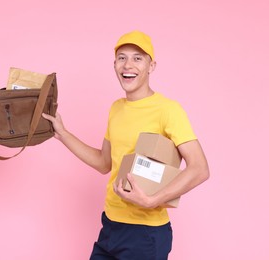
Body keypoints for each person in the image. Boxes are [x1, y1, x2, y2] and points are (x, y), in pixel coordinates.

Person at [42, 30, 209, 260]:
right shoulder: (116, 108)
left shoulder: (168, 110)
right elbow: (104, 162)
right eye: (122, 57)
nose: (127, 65)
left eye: (137, 58)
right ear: (114, 65)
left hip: (146, 233)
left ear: (151, 66)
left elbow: (199, 168)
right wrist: (63, 134)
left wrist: (152, 200)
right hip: (110, 225)